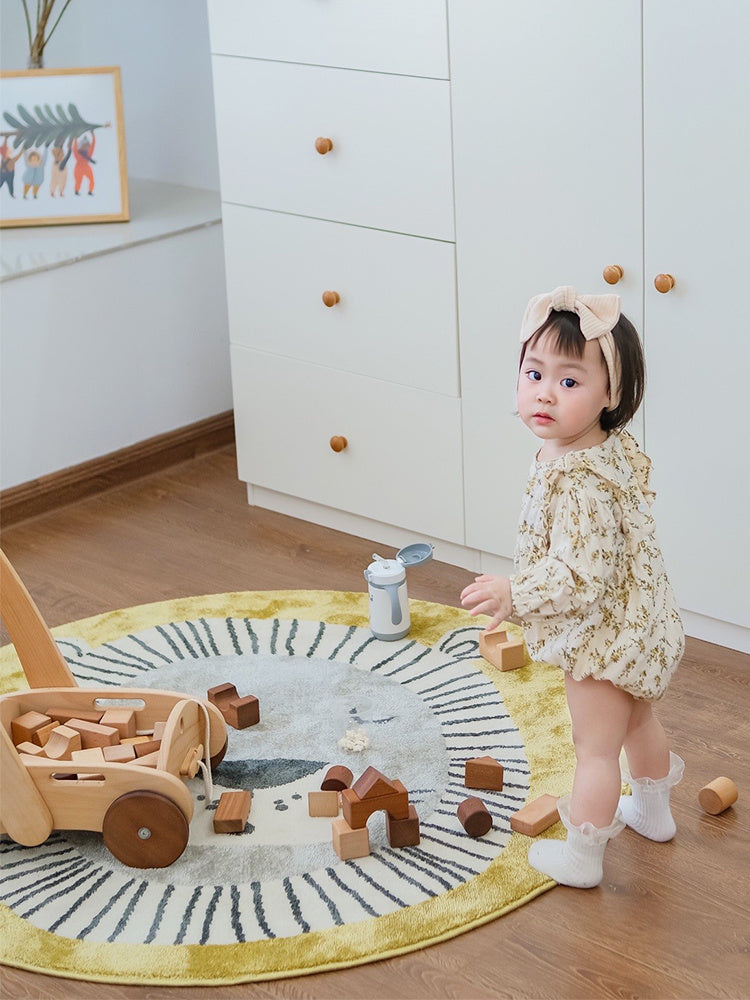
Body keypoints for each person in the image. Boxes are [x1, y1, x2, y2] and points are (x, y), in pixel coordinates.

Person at [460, 286, 685, 888]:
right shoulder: (589, 451)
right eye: (534, 374)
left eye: (569, 382)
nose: (544, 392)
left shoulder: (578, 481)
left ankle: (583, 856)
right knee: (639, 719)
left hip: (601, 636)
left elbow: (576, 575)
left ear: (610, 394)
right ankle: (654, 812)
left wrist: (514, 593)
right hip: (640, 623)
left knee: (594, 750)